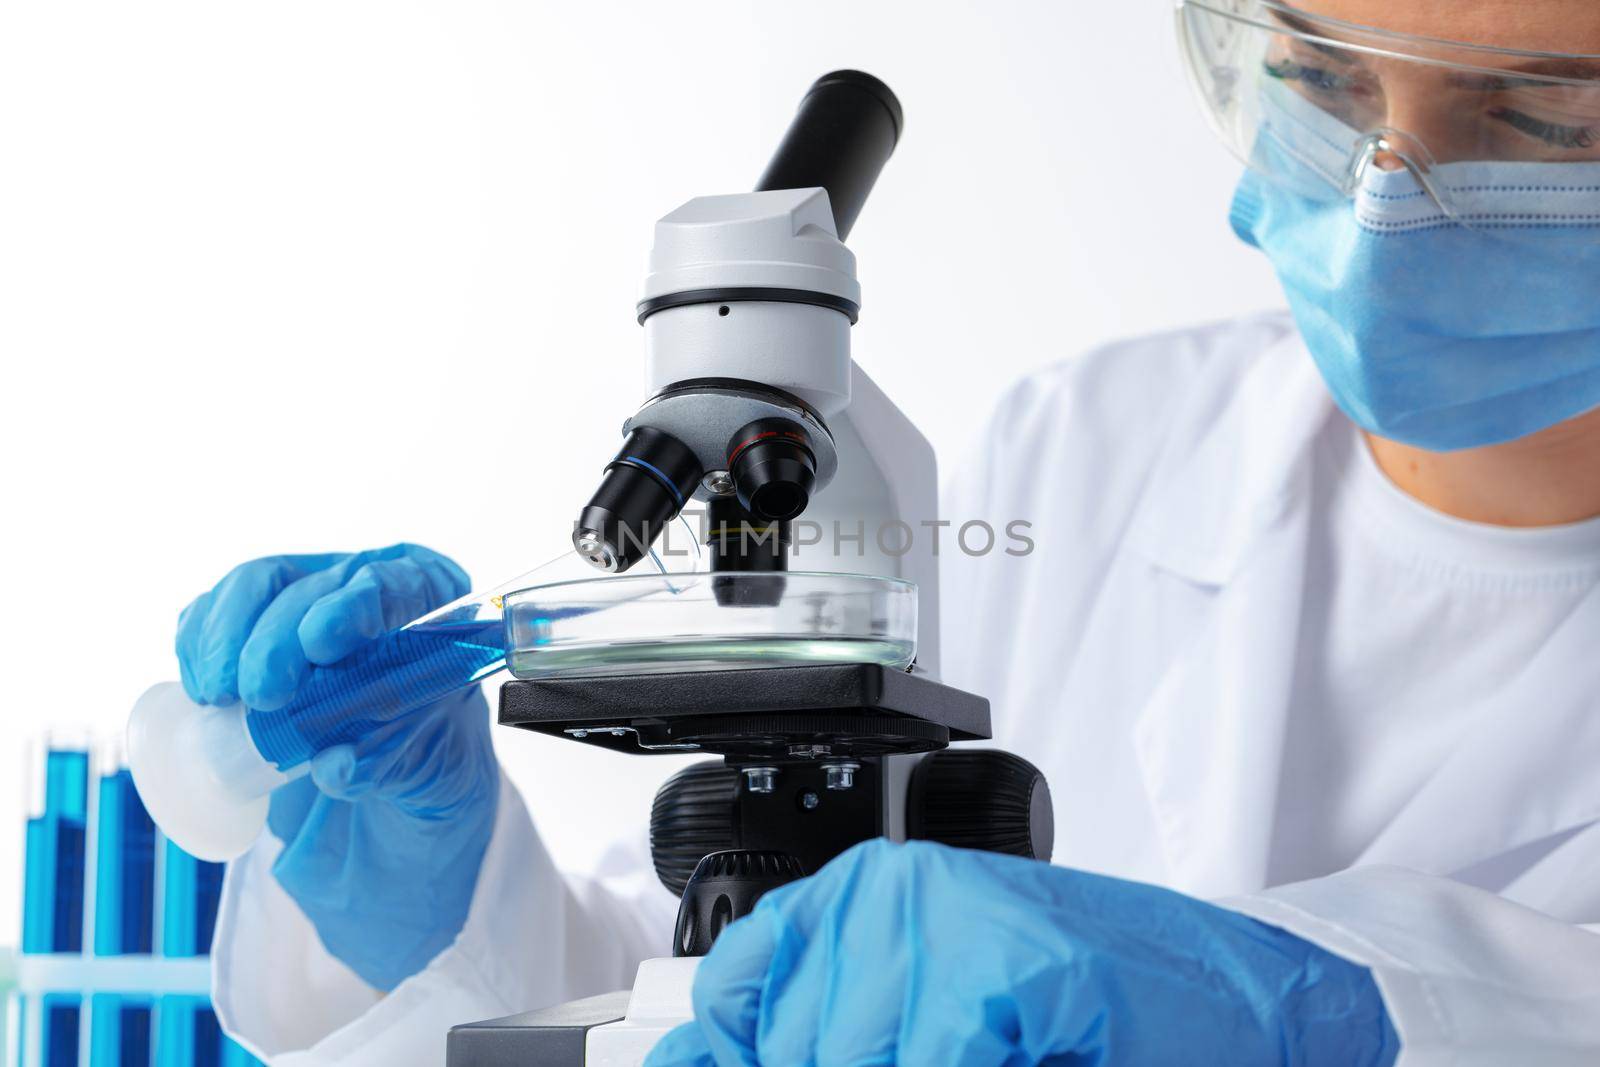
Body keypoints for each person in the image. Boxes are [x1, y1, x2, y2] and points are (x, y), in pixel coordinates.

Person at [177, 1, 1600, 1063]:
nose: (1380, 189)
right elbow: (729, 989)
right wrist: (446, 905)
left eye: (1542, 123)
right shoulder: (1094, 441)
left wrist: (1356, 1017)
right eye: (1323, 83)